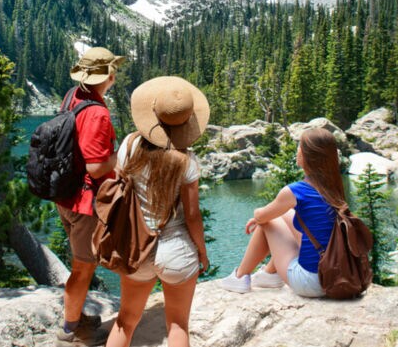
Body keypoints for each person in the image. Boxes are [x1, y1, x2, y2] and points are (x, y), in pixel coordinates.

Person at [105, 76, 210, 347]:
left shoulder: (130, 144)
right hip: (176, 249)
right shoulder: (187, 162)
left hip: (137, 246)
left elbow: (119, 188)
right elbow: (192, 216)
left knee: (125, 320)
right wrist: (202, 252)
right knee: (177, 325)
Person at [219, 127, 344, 298]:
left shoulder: (296, 191)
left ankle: (240, 276)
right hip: (336, 276)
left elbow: (261, 216)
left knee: (268, 222)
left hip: (311, 282)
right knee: (284, 216)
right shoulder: (334, 187)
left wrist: (258, 216)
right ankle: (269, 274)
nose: (297, 150)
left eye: (300, 146)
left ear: (307, 156)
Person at [56, 46, 126, 346]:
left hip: (65, 194)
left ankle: (76, 316)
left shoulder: (74, 95)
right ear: (109, 75)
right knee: (83, 267)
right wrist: (119, 157)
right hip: (84, 202)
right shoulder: (97, 112)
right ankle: (70, 330)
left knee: (82, 263)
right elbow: (97, 167)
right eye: (114, 70)